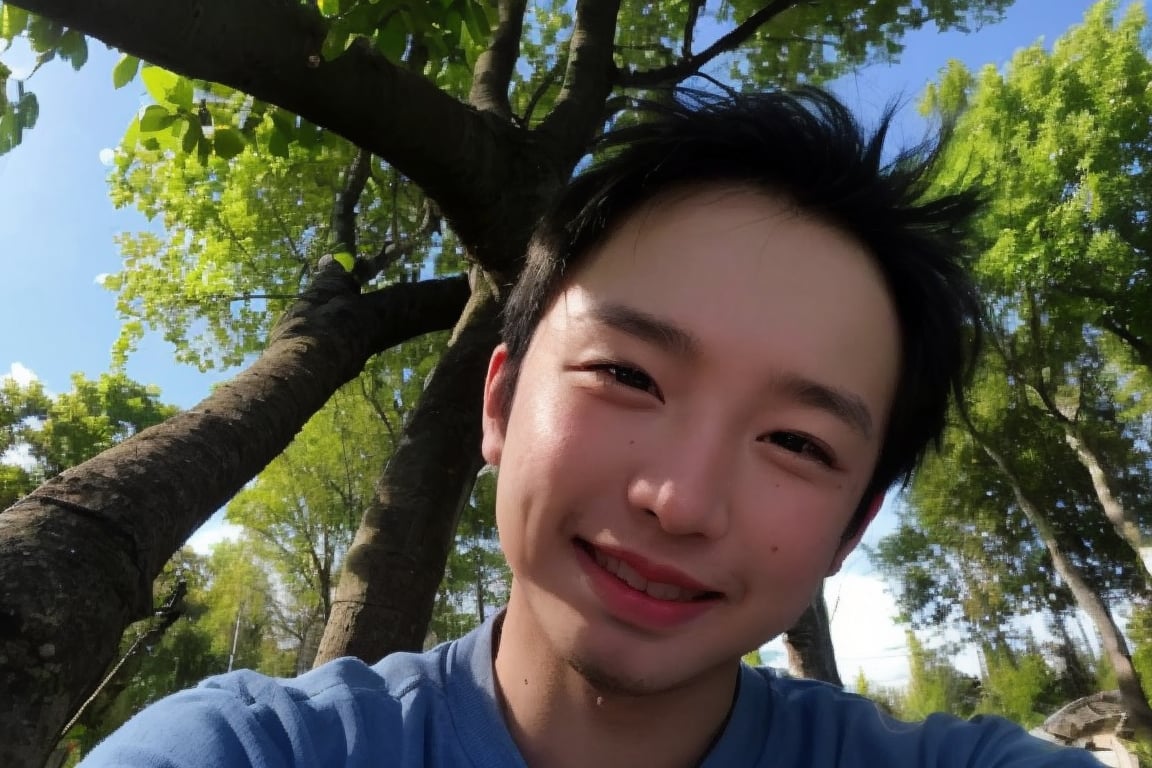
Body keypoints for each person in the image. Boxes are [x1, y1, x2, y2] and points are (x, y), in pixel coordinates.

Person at [81, 88, 1100, 767]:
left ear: (852, 529)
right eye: (627, 374)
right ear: (499, 402)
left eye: (797, 441)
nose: (682, 500)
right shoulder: (250, 751)